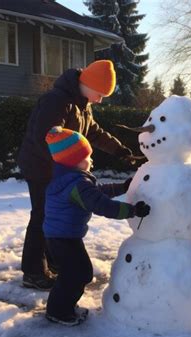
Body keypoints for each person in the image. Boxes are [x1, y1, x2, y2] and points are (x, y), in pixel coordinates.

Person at [17, 60, 135, 290]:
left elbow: (94, 132)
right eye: (99, 94)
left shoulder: (81, 105)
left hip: (61, 170)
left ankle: (55, 260)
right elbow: (45, 138)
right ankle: (33, 271)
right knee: (43, 216)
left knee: (56, 217)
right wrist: (66, 168)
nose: (99, 99)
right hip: (42, 168)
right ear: (87, 84)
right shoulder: (56, 101)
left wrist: (119, 150)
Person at [42, 126, 150, 326]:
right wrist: (133, 210)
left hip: (61, 236)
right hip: (63, 238)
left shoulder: (70, 179)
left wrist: (121, 187)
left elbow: (96, 193)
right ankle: (59, 311)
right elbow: (102, 205)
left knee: (75, 273)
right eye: (87, 157)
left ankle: (60, 307)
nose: (91, 160)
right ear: (75, 161)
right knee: (77, 274)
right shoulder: (76, 184)